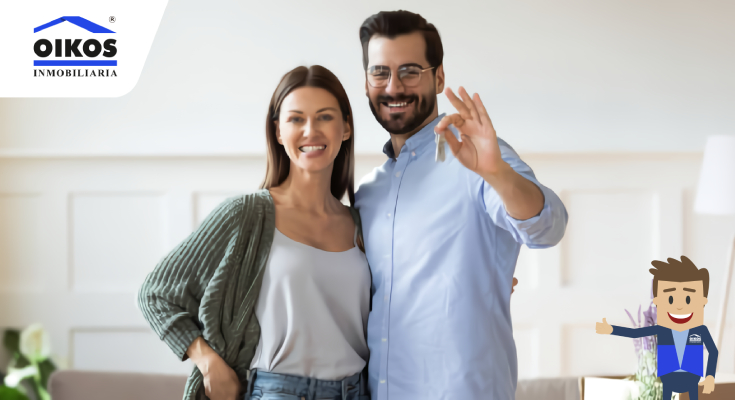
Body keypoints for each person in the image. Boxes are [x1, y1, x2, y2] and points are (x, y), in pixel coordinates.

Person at [353, 11, 569, 399]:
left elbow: (547, 227)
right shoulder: (368, 192)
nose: (393, 86)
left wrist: (497, 172)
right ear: (366, 82)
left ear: (438, 77)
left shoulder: (479, 160)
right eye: (380, 72)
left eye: (410, 71)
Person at [138, 65, 370, 400]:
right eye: (295, 119)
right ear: (278, 131)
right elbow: (155, 292)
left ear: (346, 127)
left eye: (325, 117)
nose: (310, 130)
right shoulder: (246, 215)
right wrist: (208, 361)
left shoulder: (362, 225)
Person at [596, 256, 718, 400]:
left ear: (703, 301)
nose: (679, 306)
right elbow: (636, 334)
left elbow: (713, 351)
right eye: (670, 299)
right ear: (657, 301)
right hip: (668, 377)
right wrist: (612, 329)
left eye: (688, 299)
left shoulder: (700, 330)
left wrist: (710, 376)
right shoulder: (662, 328)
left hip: (691, 376)